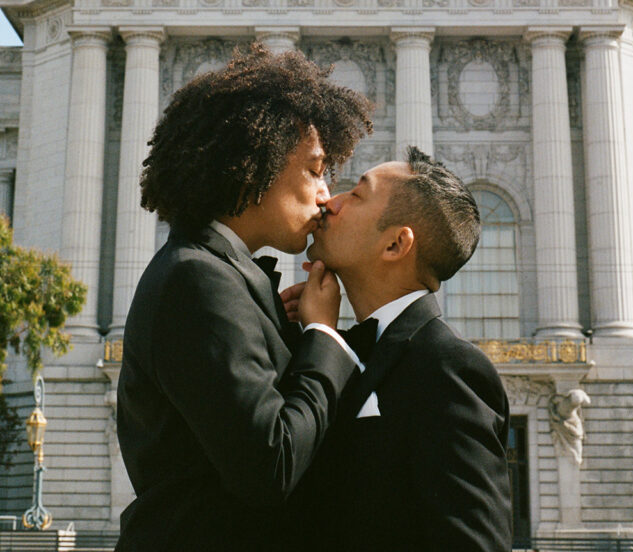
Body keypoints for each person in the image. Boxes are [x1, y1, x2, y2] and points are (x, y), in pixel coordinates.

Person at [115, 44, 372, 552]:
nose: (326, 194)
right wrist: (323, 337)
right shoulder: (199, 279)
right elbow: (272, 466)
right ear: (256, 161)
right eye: (315, 169)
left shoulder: (215, 274)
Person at [285, 146, 512, 552]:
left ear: (395, 245)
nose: (328, 202)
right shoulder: (333, 344)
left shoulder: (450, 367)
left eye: (356, 194)